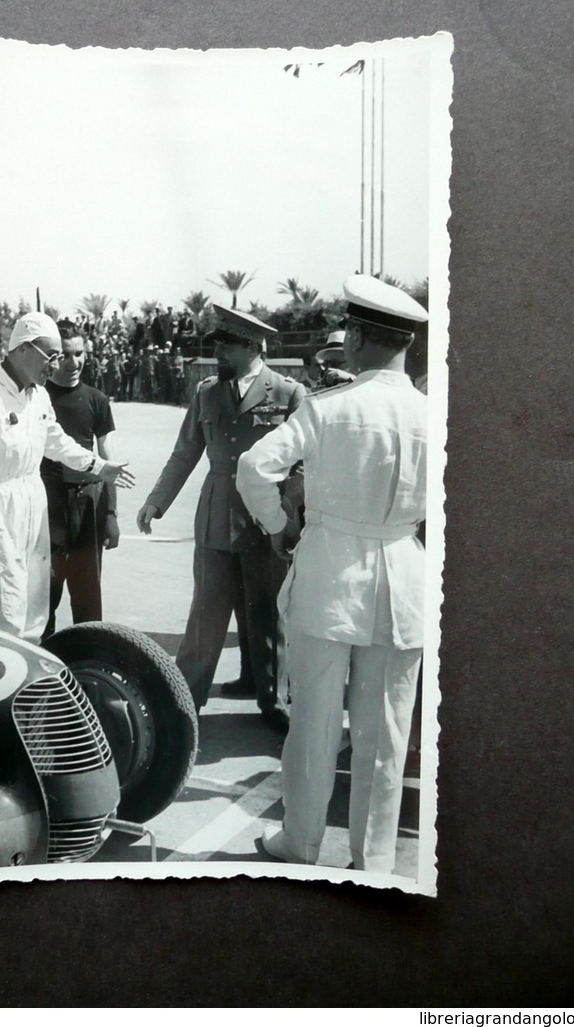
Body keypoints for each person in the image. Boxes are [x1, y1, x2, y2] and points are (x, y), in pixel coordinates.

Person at [236, 275, 428, 872]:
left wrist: (277, 527)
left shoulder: (330, 408)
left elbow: (253, 467)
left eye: (351, 334)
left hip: (330, 576)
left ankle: (302, 842)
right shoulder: (433, 414)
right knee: (386, 734)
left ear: (366, 338)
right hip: (405, 575)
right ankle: (372, 859)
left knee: (315, 725)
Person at [137, 305, 307, 731]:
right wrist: (156, 502)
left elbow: (302, 464)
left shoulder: (288, 393)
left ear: (253, 347)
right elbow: (185, 453)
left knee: (268, 610)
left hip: (265, 517)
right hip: (216, 515)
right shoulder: (207, 393)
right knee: (206, 610)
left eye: (227, 347)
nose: (219, 356)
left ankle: (275, 700)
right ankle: (184, 700)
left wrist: (286, 516)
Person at [0, 312, 134, 640]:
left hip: (32, 504)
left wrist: (98, 466)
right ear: (24, 349)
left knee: (34, 608)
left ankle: (32, 686)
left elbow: (55, 441)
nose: (56, 366)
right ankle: (4, 686)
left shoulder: (38, 396)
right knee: (6, 607)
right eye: (52, 356)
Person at [41, 323, 120, 638]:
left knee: (88, 597)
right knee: (42, 597)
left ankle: (88, 672)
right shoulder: (37, 398)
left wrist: (112, 516)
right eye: (65, 355)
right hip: (47, 507)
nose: (74, 362)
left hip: (88, 506)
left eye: (80, 353)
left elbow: (108, 460)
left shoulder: (97, 399)